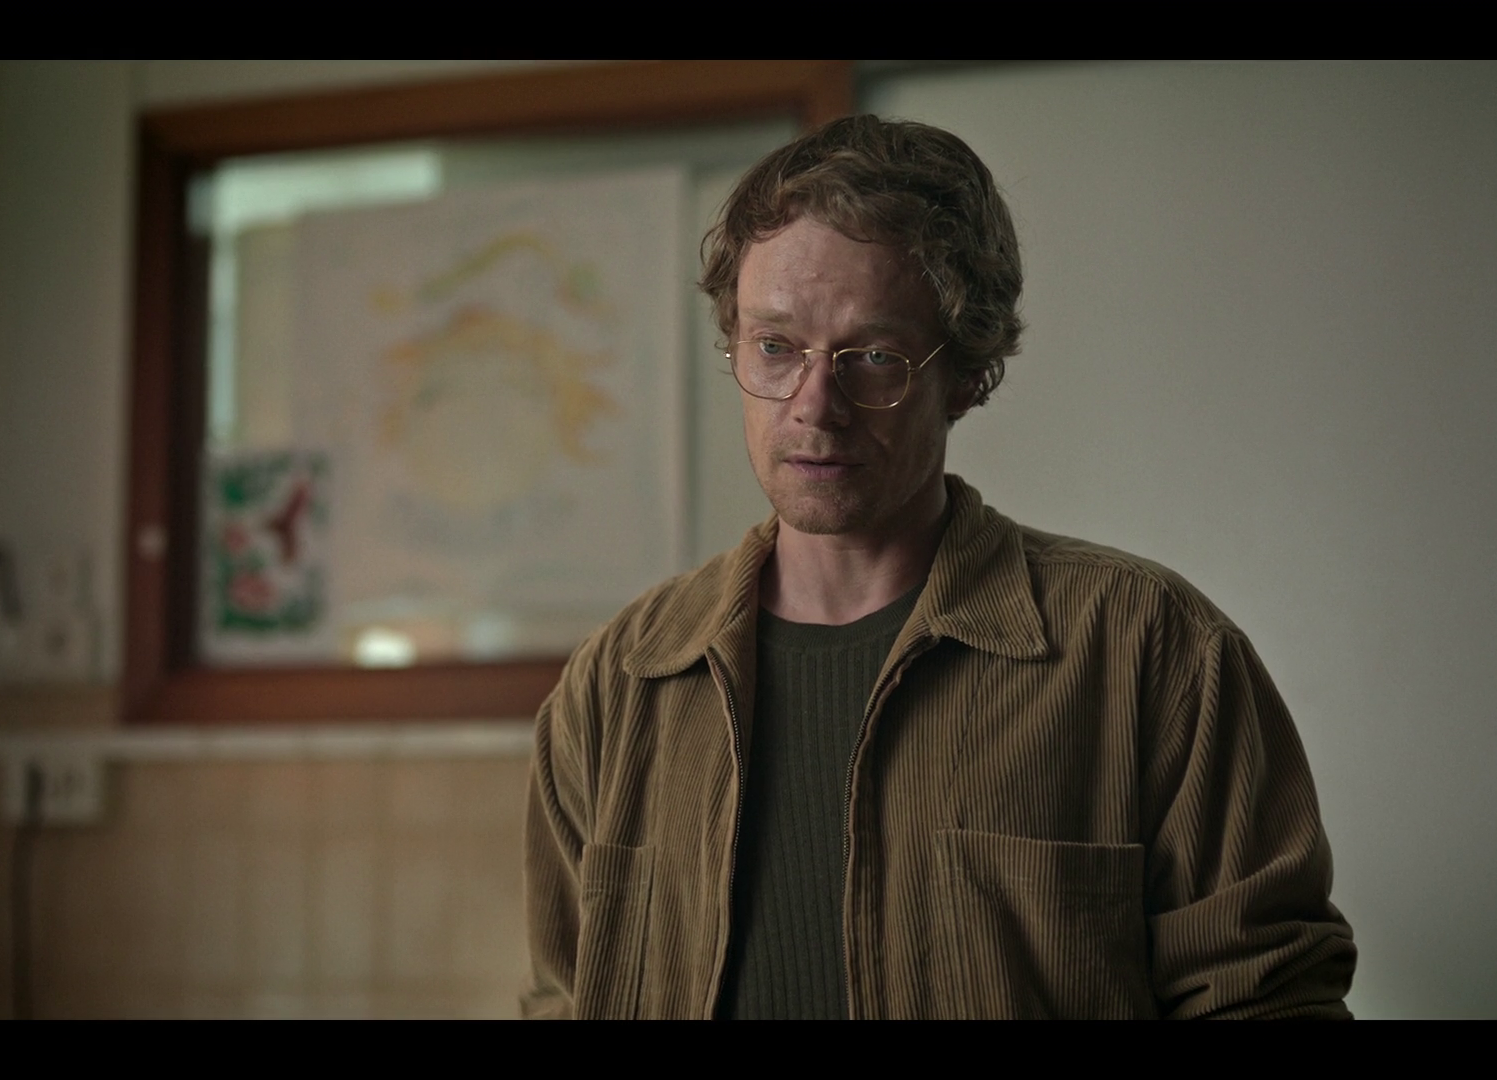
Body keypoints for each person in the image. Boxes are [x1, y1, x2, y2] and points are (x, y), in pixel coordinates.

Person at [522, 116, 1356, 1019]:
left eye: (874, 357)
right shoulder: (619, 683)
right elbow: (565, 997)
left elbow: (1267, 1001)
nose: (815, 406)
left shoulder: (1149, 651)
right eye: (775, 347)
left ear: (966, 373)